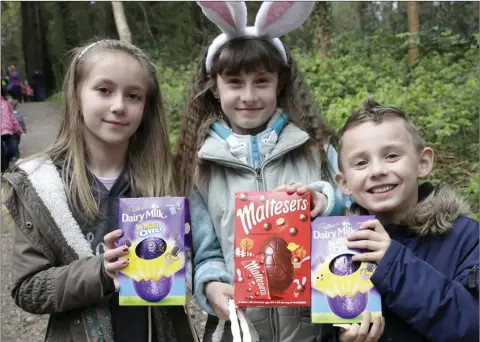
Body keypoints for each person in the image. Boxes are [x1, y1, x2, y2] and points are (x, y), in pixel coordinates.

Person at [175, 2, 382, 341]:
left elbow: (356, 217)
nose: (248, 95)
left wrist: (324, 200)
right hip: (240, 330)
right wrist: (211, 284)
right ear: (215, 86)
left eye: (261, 81)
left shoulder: (316, 148)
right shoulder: (200, 166)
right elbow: (206, 250)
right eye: (235, 82)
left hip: (313, 329)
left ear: (280, 83)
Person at [2, 39, 194, 342]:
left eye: (133, 95)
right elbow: (28, 288)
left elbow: (203, 257)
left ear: (146, 107)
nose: (118, 106)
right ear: (76, 94)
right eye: (104, 90)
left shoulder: (167, 177)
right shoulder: (40, 184)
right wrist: (100, 273)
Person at [334, 99, 479, 342]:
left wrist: (393, 263)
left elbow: (473, 326)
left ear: (423, 163)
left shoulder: (466, 237)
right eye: (361, 163)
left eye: (391, 156)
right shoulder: (337, 247)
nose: (377, 170)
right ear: (344, 183)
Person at [1, 86, 22, 167]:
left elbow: (12, 116)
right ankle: (3, 168)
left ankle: (6, 163)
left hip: (7, 130)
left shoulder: (6, 102)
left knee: (12, 149)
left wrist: (18, 128)